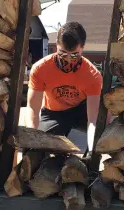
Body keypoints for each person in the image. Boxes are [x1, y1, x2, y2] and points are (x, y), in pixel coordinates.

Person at [26, 21, 103, 152]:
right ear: (56, 45)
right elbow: (33, 109)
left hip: (81, 110)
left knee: (101, 133)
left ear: (82, 48)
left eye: (74, 55)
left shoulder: (92, 75)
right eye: (62, 53)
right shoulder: (40, 69)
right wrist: (32, 138)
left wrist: (93, 150)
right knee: (39, 147)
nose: (67, 59)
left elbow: (93, 120)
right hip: (53, 113)